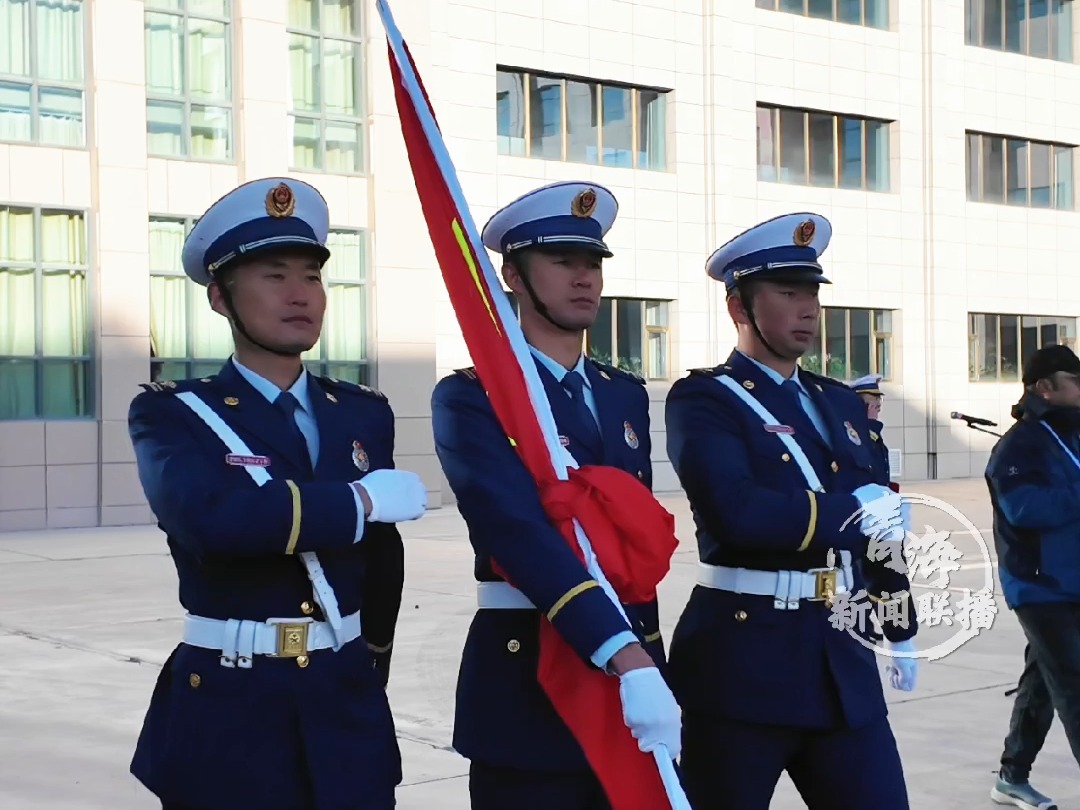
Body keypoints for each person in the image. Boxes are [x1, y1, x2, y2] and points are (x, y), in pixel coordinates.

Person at [127, 177, 429, 810]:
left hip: (344, 707)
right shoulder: (176, 415)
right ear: (219, 298)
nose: (300, 295)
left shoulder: (361, 413)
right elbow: (214, 520)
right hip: (231, 710)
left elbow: (382, 563)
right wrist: (360, 502)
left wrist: (368, 661)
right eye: (273, 276)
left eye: (311, 277)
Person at [430, 180, 680, 810]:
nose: (584, 278)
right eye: (562, 262)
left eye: (592, 263)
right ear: (512, 274)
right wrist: (624, 656)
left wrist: (641, 658)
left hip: (635, 665)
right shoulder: (475, 395)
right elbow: (515, 532)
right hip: (529, 675)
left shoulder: (623, 393)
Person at [664, 212, 919, 810]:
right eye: (787, 293)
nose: (807, 309)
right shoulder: (705, 399)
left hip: (840, 654)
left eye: (811, 294)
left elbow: (878, 528)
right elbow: (739, 512)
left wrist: (898, 621)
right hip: (743, 662)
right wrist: (850, 513)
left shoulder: (839, 402)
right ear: (738, 307)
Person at [985, 343, 1080, 810]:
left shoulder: (1073, 434)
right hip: (1040, 586)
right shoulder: (1020, 444)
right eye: (1075, 381)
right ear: (1045, 387)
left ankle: (1011, 775)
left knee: (1042, 682)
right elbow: (1024, 509)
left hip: (1074, 581)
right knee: (1074, 683)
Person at [849, 373, 894, 487]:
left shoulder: (873, 431)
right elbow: (866, 459)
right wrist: (870, 423)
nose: (879, 404)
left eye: (879, 399)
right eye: (874, 400)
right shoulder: (853, 431)